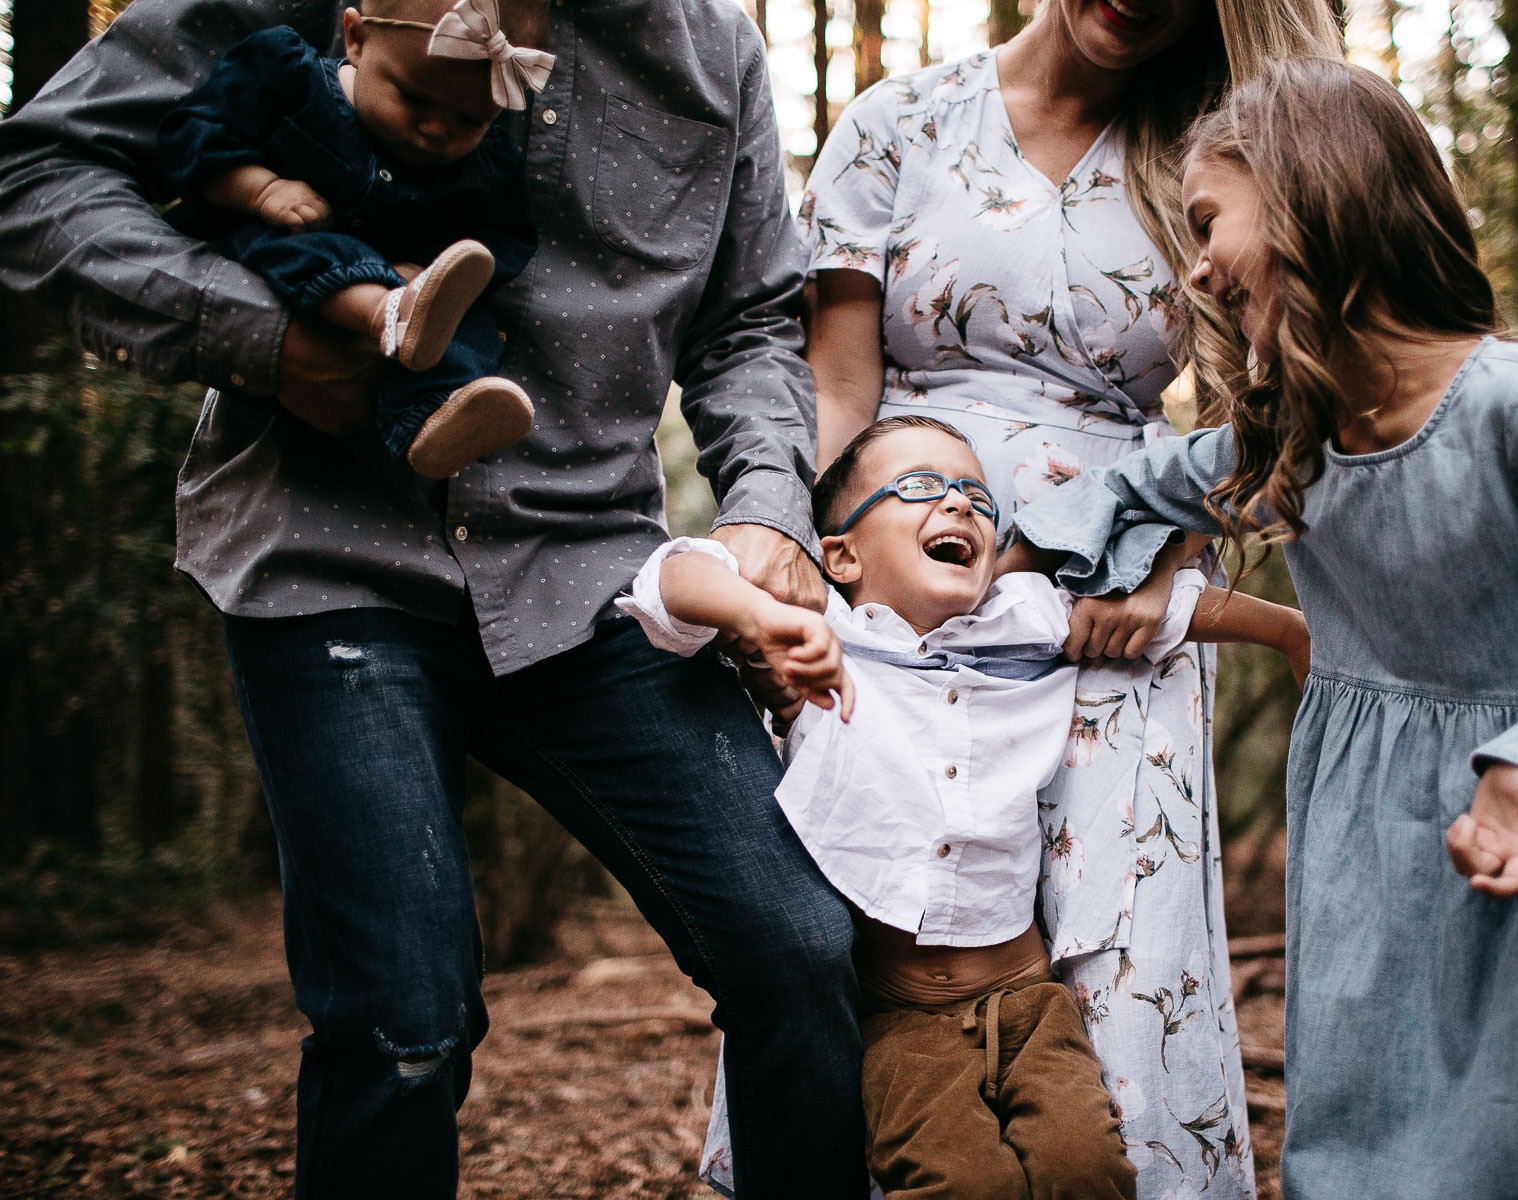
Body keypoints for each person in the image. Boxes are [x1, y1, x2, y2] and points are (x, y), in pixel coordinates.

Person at [0, 0, 871, 1197]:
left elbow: (751, 322)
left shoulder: (711, 52)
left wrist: (768, 509)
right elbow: (42, 173)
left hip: (591, 575)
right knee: (401, 1020)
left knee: (801, 946)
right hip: (329, 556)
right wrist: (260, 337)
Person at [1009, 58, 1518, 1199]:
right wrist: (1025, 564)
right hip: (1373, 863)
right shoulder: (1294, 444)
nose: (1195, 267)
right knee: (1374, 1143)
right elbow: (1128, 494)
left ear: (1312, 197)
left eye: (1207, 223)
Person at [790, 0, 1342, 1193]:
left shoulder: (1202, 152)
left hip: (1122, 610)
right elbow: (836, 395)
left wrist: (1160, 575)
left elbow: (1269, 405)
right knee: (893, 925)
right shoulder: (900, 121)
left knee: (1117, 963)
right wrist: (797, 567)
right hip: (911, 598)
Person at [621, 415, 1308, 1200]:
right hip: (897, 1019)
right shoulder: (819, 634)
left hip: (1030, 1004)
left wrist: (1288, 632)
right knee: (962, 1184)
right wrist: (757, 614)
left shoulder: (1030, 615)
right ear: (839, 554)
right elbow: (669, 579)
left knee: (1088, 1171)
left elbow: (1176, 611)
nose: (957, 506)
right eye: (917, 488)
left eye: (976, 497)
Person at [157, 0, 547, 478]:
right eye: (413, 98)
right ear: (357, 40)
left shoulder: (491, 165)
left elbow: (508, 236)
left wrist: (434, 271)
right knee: (306, 246)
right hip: (289, 242)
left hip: (415, 281)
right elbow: (191, 139)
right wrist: (262, 190)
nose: (435, 129)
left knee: (473, 331)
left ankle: (433, 423)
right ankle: (388, 314)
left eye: (470, 120)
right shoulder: (287, 77)